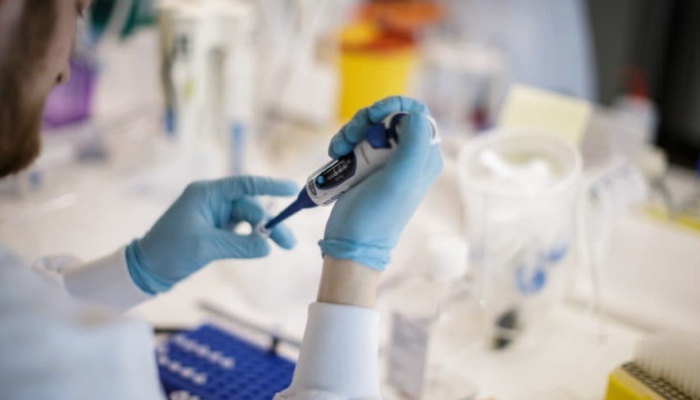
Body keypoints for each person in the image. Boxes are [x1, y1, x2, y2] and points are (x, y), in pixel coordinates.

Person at [0, 1, 443, 399]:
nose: (65, 68)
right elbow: (44, 337)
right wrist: (356, 263)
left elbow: (32, 309)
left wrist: (134, 270)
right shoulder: (79, 367)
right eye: (76, 11)